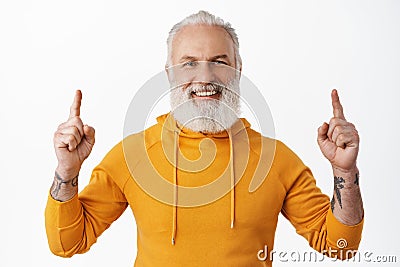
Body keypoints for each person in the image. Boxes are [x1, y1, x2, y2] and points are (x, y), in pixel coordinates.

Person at [45, 10, 364, 266]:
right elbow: (67, 244)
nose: (205, 77)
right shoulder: (133, 155)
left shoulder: (276, 160)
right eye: (189, 64)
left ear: (238, 69)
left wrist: (345, 173)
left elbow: (340, 247)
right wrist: (67, 173)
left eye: (219, 62)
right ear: (169, 74)